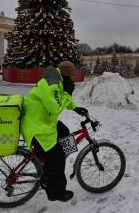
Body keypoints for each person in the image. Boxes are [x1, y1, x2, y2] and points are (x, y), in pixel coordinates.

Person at [20, 61, 89, 202]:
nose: (72, 80)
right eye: (71, 78)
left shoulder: (55, 80)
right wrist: (68, 95)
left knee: (64, 131)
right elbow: (55, 107)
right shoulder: (52, 85)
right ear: (65, 75)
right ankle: (56, 192)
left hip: (40, 121)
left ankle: (45, 165)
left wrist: (75, 107)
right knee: (57, 158)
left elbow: (60, 97)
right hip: (37, 128)